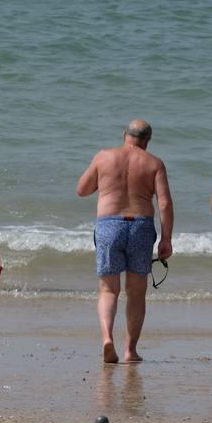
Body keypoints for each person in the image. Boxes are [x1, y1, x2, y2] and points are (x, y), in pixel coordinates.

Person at [76, 120, 175, 364]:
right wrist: (166, 239)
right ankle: (130, 350)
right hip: (141, 225)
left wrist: (107, 180)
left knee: (109, 289)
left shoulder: (103, 156)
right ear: (148, 140)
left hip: (109, 225)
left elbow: (82, 189)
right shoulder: (154, 163)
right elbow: (164, 204)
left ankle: (107, 339)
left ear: (124, 135)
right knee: (136, 293)